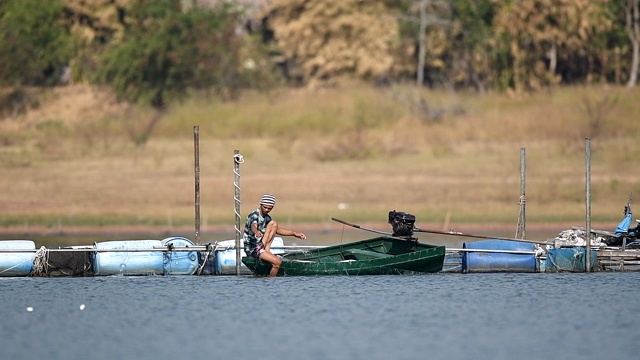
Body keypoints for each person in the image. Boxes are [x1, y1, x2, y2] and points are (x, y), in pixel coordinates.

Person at [244, 194, 306, 277]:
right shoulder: (254, 215)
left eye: (269, 208)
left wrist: (294, 234)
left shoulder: (267, 217)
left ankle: (267, 250)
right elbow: (253, 225)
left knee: (274, 224)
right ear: (261, 204)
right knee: (277, 262)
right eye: (264, 207)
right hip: (253, 248)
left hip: (260, 245)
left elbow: (277, 229)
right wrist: (256, 231)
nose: (266, 210)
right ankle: (271, 282)